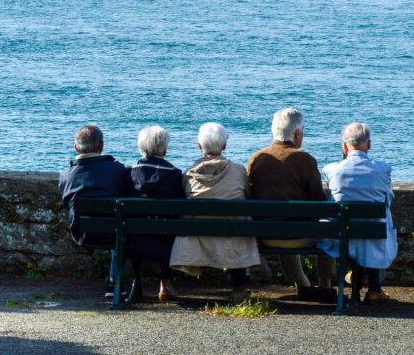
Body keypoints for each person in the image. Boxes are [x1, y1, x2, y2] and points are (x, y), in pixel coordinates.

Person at [247, 107, 336, 302]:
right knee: (329, 228)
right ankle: (325, 285)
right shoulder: (305, 159)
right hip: (299, 236)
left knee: (280, 221)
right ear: (297, 134)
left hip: (266, 235)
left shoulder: (256, 159)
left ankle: (303, 285)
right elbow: (319, 202)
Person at [170, 123, 260, 300]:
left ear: (199, 146)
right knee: (238, 226)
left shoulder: (189, 174)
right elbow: (247, 197)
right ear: (224, 146)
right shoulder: (239, 171)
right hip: (233, 237)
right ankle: (239, 288)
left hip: (198, 239)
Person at [322, 122, 398, 304]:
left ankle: (356, 288)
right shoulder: (382, 169)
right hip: (373, 233)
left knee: (356, 236)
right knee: (377, 225)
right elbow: (388, 199)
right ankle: (374, 289)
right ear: (369, 144)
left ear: (344, 145)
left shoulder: (331, 170)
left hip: (342, 235)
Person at [57, 124, 128, 298]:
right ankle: (114, 283)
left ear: (76, 147)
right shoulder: (117, 170)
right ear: (101, 147)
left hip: (82, 233)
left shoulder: (66, 176)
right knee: (119, 227)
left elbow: (67, 202)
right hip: (115, 233)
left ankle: (113, 283)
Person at [126, 125, 184, 302]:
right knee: (167, 225)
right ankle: (166, 282)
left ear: (141, 147)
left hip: (134, 241)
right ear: (165, 149)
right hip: (167, 242)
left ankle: (136, 282)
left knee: (135, 225)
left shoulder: (128, 174)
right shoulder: (175, 175)